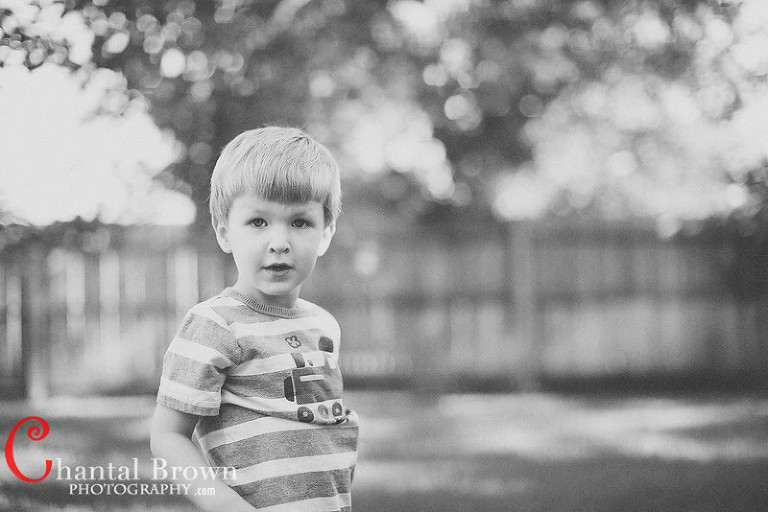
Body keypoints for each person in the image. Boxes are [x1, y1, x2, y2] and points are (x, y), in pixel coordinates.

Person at [150, 126, 358, 512]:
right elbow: (168, 437)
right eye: (258, 222)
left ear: (326, 233)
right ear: (224, 232)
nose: (279, 242)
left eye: (300, 222)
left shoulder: (323, 326)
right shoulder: (215, 324)